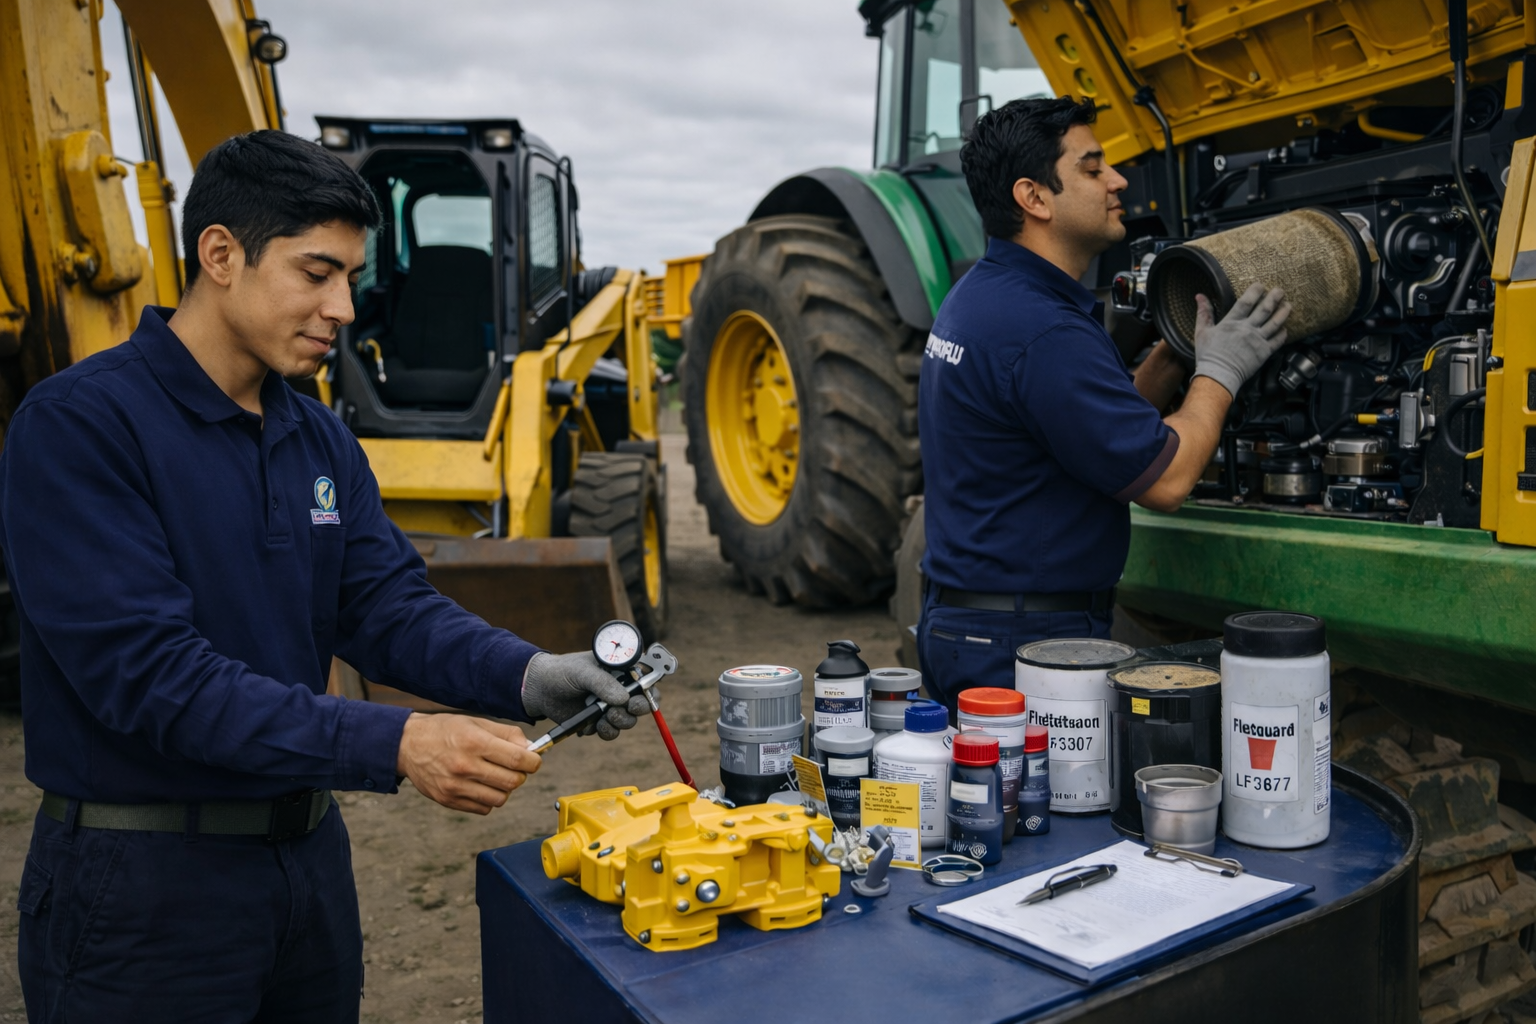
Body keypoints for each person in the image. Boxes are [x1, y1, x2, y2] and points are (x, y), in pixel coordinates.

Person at [0, 130, 649, 1021]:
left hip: (305, 871)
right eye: (316, 273)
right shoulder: (82, 427)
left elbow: (387, 608)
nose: (343, 306)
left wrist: (530, 676)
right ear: (220, 255)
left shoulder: (316, 435)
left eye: (351, 277)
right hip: (143, 890)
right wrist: (399, 742)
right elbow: (151, 678)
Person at [917, 97, 1291, 711]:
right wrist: (1221, 372)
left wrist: (1176, 353)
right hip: (1027, 644)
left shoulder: (985, 296)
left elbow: (1093, 428)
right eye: (1092, 169)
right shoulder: (1043, 330)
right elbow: (1166, 480)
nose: (1117, 181)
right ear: (1034, 198)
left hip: (973, 624)